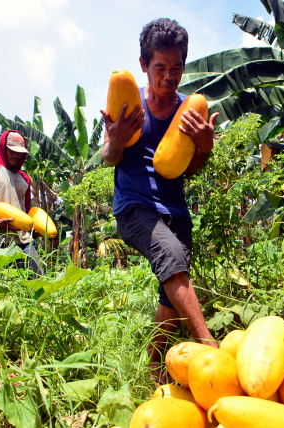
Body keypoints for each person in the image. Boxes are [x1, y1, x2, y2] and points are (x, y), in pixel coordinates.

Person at [100, 18, 221, 381]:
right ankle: (210, 348)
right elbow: (108, 158)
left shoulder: (191, 110)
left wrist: (204, 147)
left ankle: (154, 367)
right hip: (135, 208)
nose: (169, 76)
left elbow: (191, 168)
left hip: (176, 211)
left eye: (177, 67)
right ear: (144, 65)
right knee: (170, 256)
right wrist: (116, 139)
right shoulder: (127, 101)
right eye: (160, 68)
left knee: (171, 290)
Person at [0, 129, 43, 275]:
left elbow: (28, 211)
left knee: (36, 278)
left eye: (19, 152)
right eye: (11, 150)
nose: (15, 155)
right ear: (3, 147)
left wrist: (35, 230)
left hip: (24, 240)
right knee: (4, 285)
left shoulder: (25, 178)